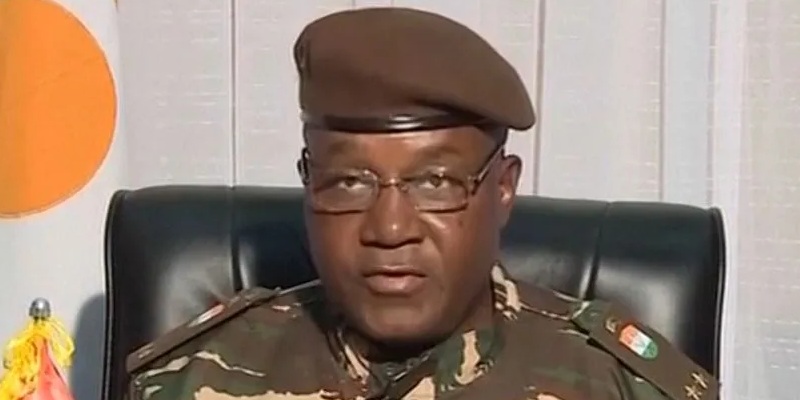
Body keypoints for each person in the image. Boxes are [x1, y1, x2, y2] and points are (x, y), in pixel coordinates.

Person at [124, 7, 720, 400]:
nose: (389, 229)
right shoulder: (188, 380)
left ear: (503, 189)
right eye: (349, 182)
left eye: (435, 182)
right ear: (308, 185)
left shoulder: (623, 386)